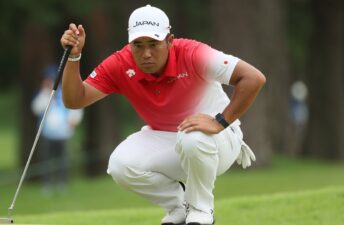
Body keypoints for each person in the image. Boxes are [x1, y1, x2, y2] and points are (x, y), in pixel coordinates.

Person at [60, 4, 265, 225]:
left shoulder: (193, 53)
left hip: (220, 139)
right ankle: (178, 207)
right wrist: (74, 57)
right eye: (138, 45)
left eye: (154, 44)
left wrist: (220, 121)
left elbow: (253, 78)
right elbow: (75, 99)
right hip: (170, 138)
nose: (146, 54)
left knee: (193, 137)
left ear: (169, 41)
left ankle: (202, 211)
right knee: (121, 164)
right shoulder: (121, 63)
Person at [31, 64, 83, 195]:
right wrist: (45, 93)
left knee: (63, 160)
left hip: (63, 133)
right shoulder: (42, 95)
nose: (49, 82)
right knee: (47, 160)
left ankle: (62, 184)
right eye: (47, 79)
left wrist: (74, 120)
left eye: (51, 79)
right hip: (48, 134)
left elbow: (76, 107)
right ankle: (47, 185)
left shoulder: (64, 92)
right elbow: (36, 108)